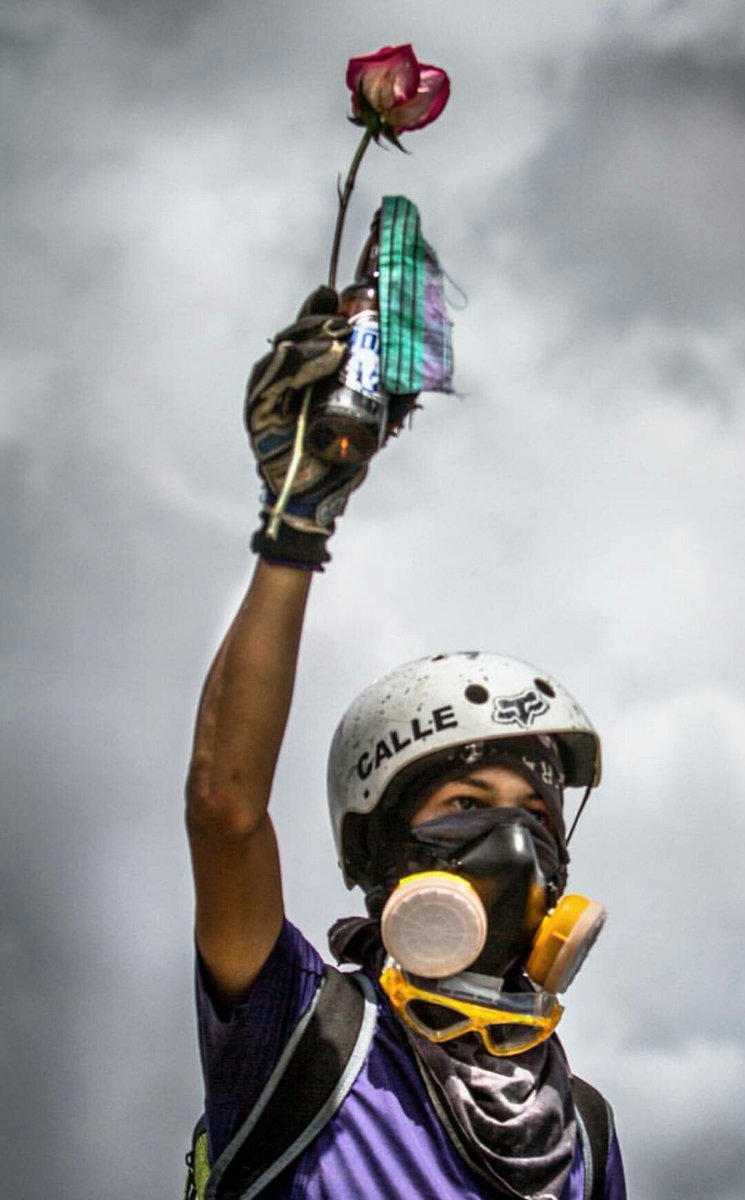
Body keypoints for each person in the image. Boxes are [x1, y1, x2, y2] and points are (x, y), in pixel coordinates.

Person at [184, 283, 627, 1199]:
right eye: (466, 806)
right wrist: (296, 525)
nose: (513, 844)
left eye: (535, 813)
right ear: (388, 849)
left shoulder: (583, 1126)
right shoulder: (300, 1032)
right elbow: (224, 812)